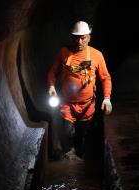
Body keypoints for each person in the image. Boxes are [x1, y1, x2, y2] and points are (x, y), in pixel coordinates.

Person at [47, 20, 112, 158]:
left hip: (87, 104)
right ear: (72, 38)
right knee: (68, 131)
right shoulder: (64, 53)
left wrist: (107, 98)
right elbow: (53, 71)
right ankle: (69, 153)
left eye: (83, 38)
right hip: (67, 104)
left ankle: (81, 152)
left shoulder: (96, 55)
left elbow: (105, 78)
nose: (80, 42)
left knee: (83, 134)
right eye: (76, 38)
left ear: (89, 37)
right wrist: (52, 86)